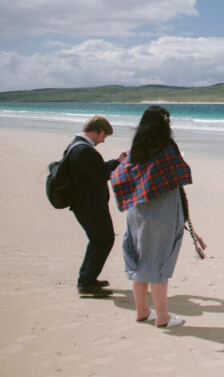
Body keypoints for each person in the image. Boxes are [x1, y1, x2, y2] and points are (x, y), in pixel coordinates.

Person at [110, 106, 191, 327]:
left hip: (137, 210)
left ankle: (142, 310)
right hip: (161, 209)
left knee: (139, 260)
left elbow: (120, 173)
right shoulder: (166, 147)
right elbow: (178, 172)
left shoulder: (137, 148)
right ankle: (162, 317)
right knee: (158, 262)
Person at [67, 115, 127, 296]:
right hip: (90, 205)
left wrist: (117, 162)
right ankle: (86, 282)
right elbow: (101, 174)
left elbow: (97, 169)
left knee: (98, 240)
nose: (103, 140)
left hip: (84, 203)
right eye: (103, 135)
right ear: (94, 132)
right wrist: (118, 165)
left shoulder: (77, 146)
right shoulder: (84, 150)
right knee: (103, 240)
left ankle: (88, 278)